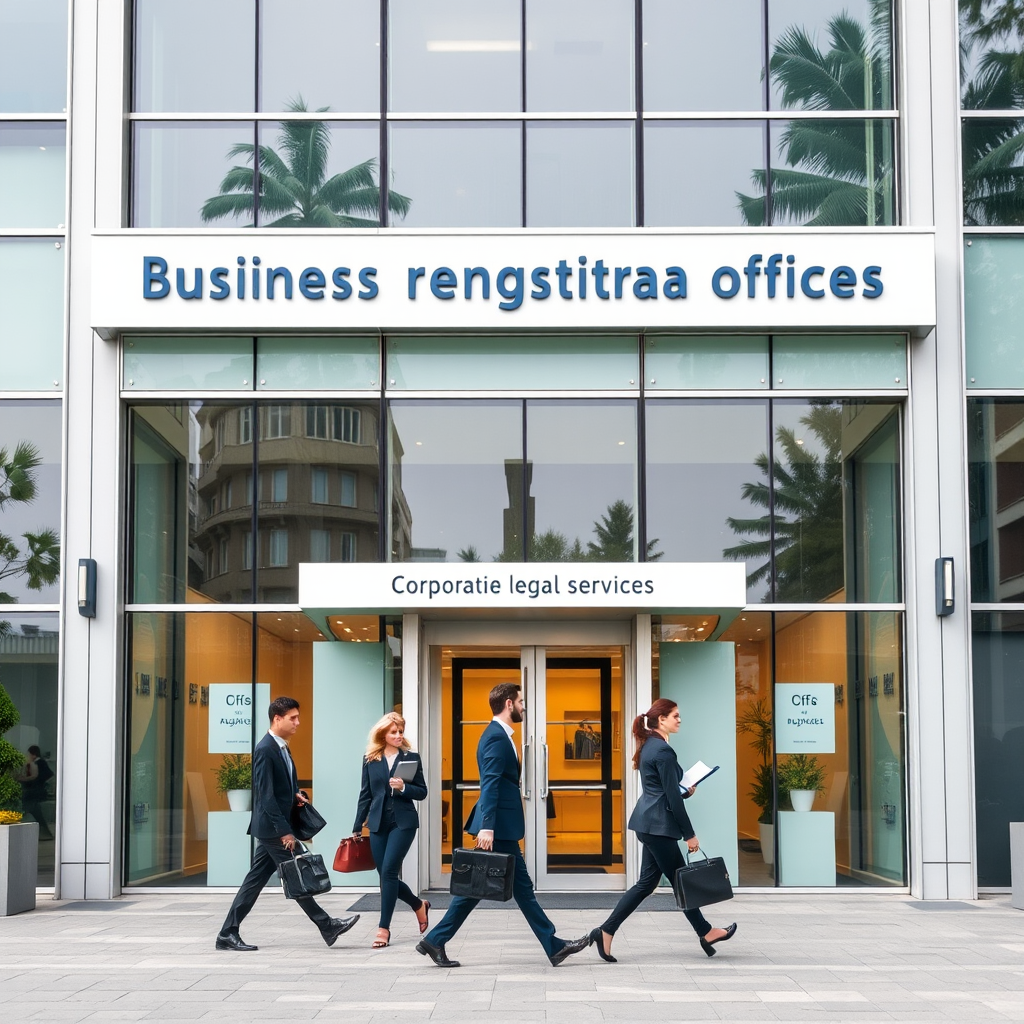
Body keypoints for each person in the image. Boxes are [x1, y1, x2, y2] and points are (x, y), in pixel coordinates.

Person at [417, 681, 591, 969]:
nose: (523, 707)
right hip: (497, 827)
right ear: (509, 704)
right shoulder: (496, 737)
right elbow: (491, 784)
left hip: (500, 825)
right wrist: (487, 827)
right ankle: (553, 945)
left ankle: (436, 939)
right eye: (521, 702)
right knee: (516, 888)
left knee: (485, 889)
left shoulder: (501, 735)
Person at [589, 698, 737, 962]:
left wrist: (685, 791)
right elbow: (670, 797)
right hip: (659, 827)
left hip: (650, 823)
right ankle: (706, 932)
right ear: (661, 720)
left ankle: (606, 931)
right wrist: (689, 834)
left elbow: (665, 791)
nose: (679, 720)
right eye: (675, 715)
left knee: (647, 883)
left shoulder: (651, 746)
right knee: (682, 880)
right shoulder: (663, 750)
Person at [215, 696, 360, 951]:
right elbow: (265, 796)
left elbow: (281, 787)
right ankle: (327, 925)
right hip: (274, 829)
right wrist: (285, 832)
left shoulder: (281, 747)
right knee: (297, 876)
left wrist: (296, 794)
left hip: (274, 827)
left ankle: (227, 933)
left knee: (255, 881)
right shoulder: (265, 749)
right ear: (277, 718)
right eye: (292, 718)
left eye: (297, 717)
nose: (298, 722)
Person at [352, 711, 431, 948]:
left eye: (400, 732)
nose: (398, 735)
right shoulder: (370, 759)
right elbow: (365, 794)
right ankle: (418, 905)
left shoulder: (411, 758)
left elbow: (422, 792)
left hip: (403, 822)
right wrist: (357, 826)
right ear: (383, 734)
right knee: (384, 875)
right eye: (394, 732)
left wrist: (404, 787)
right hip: (377, 823)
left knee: (388, 872)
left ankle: (383, 928)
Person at [16, 746, 54, 840]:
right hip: (35, 791)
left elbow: (46, 775)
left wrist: (38, 781)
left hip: (37, 792)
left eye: (29, 754)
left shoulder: (40, 763)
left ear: (33, 754)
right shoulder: (35, 763)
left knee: (30, 806)